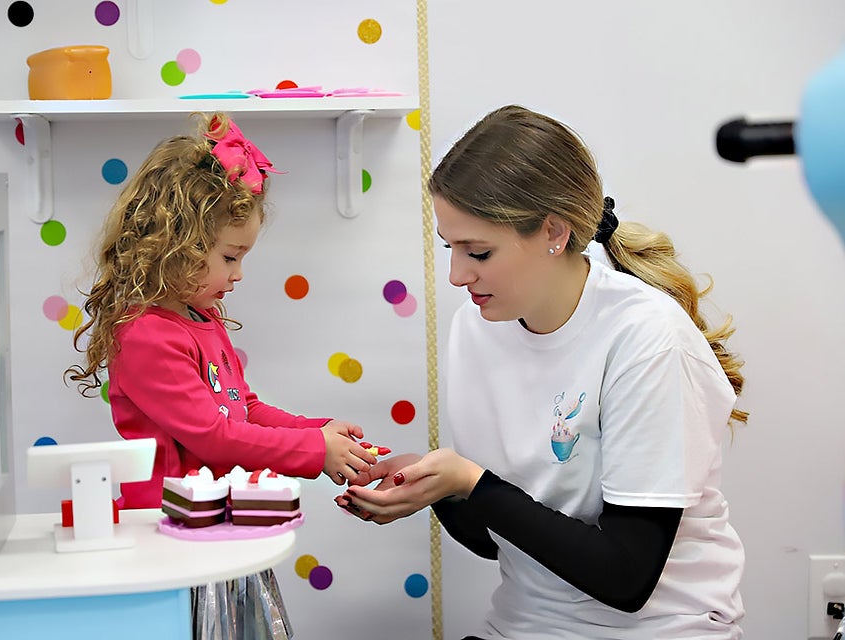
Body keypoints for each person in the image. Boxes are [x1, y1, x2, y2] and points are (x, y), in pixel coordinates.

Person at [337, 105, 748, 640]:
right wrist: (431, 485)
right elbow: (497, 540)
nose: (458, 275)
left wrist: (471, 484)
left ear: (554, 231)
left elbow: (626, 578)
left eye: (478, 251)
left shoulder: (646, 337)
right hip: (526, 625)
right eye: (450, 249)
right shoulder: (477, 327)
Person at [65, 112, 378, 640]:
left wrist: (317, 432)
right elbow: (213, 435)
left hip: (212, 525)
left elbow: (244, 408)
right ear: (176, 246)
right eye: (230, 257)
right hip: (172, 537)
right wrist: (312, 451)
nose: (238, 275)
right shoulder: (145, 336)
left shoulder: (199, 318)